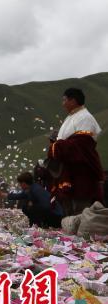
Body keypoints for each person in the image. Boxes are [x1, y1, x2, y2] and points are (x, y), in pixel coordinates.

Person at [49, 87, 104, 215]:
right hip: (69, 169)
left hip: (81, 171)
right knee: (69, 208)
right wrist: (57, 145)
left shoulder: (85, 118)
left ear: (73, 101)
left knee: (81, 208)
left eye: (64, 100)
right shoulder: (72, 117)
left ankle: (83, 233)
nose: (62, 104)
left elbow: (80, 145)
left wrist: (55, 147)